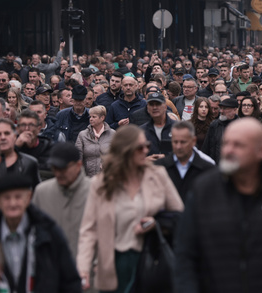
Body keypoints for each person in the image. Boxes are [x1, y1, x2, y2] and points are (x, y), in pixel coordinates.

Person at [175, 118, 262, 293]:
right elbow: (185, 255)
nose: (228, 150)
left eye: (238, 145)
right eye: (226, 143)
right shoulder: (203, 190)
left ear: (261, 150)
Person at [77, 125, 184, 292]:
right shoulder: (101, 183)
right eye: (140, 147)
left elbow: (180, 216)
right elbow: (89, 229)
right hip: (114, 263)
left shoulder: (157, 175)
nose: (145, 151)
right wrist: (83, 269)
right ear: (125, 151)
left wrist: (156, 222)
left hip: (151, 259)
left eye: (146, 146)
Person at [0, 173, 82, 292]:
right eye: (7, 198)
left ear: (28, 198)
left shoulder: (49, 232)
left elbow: (70, 281)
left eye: (18, 197)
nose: (13, 203)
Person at [32, 142, 91, 259]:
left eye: (63, 168)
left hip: (86, 269)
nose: (58, 173)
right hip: (51, 268)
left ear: (78, 165)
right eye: (55, 168)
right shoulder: (42, 192)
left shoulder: (95, 192)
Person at [155, 121, 215, 201]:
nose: (178, 146)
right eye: (175, 142)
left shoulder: (207, 169)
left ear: (193, 141)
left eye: (183, 142)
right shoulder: (159, 167)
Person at [0, 118, 41, 189]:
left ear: (14, 136)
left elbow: (37, 192)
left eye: (7, 133)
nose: (3, 137)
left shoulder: (29, 163)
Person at [75, 105, 116, 177]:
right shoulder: (83, 135)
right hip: (88, 177)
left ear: (102, 118)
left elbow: (117, 156)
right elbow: (78, 156)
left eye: (94, 117)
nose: (91, 119)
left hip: (108, 177)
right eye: (90, 117)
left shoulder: (113, 134)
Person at [14, 109, 54, 177]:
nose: (27, 129)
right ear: (17, 129)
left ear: (38, 129)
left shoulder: (48, 148)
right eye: (23, 125)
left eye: (31, 125)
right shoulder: (10, 147)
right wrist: (16, 147)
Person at [201, 98, 239, 163]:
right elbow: (206, 148)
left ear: (234, 110)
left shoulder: (241, 126)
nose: (221, 111)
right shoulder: (214, 125)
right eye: (220, 108)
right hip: (216, 167)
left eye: (225, 108)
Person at [140, 92, 176, 158]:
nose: (154, 107)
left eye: (158, 104)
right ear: (147, 108)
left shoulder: (178, 127)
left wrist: (167, 157)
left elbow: (186, 151)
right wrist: (145, 160)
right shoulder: (142, 131)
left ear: (165, 107)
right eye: (151, 104)